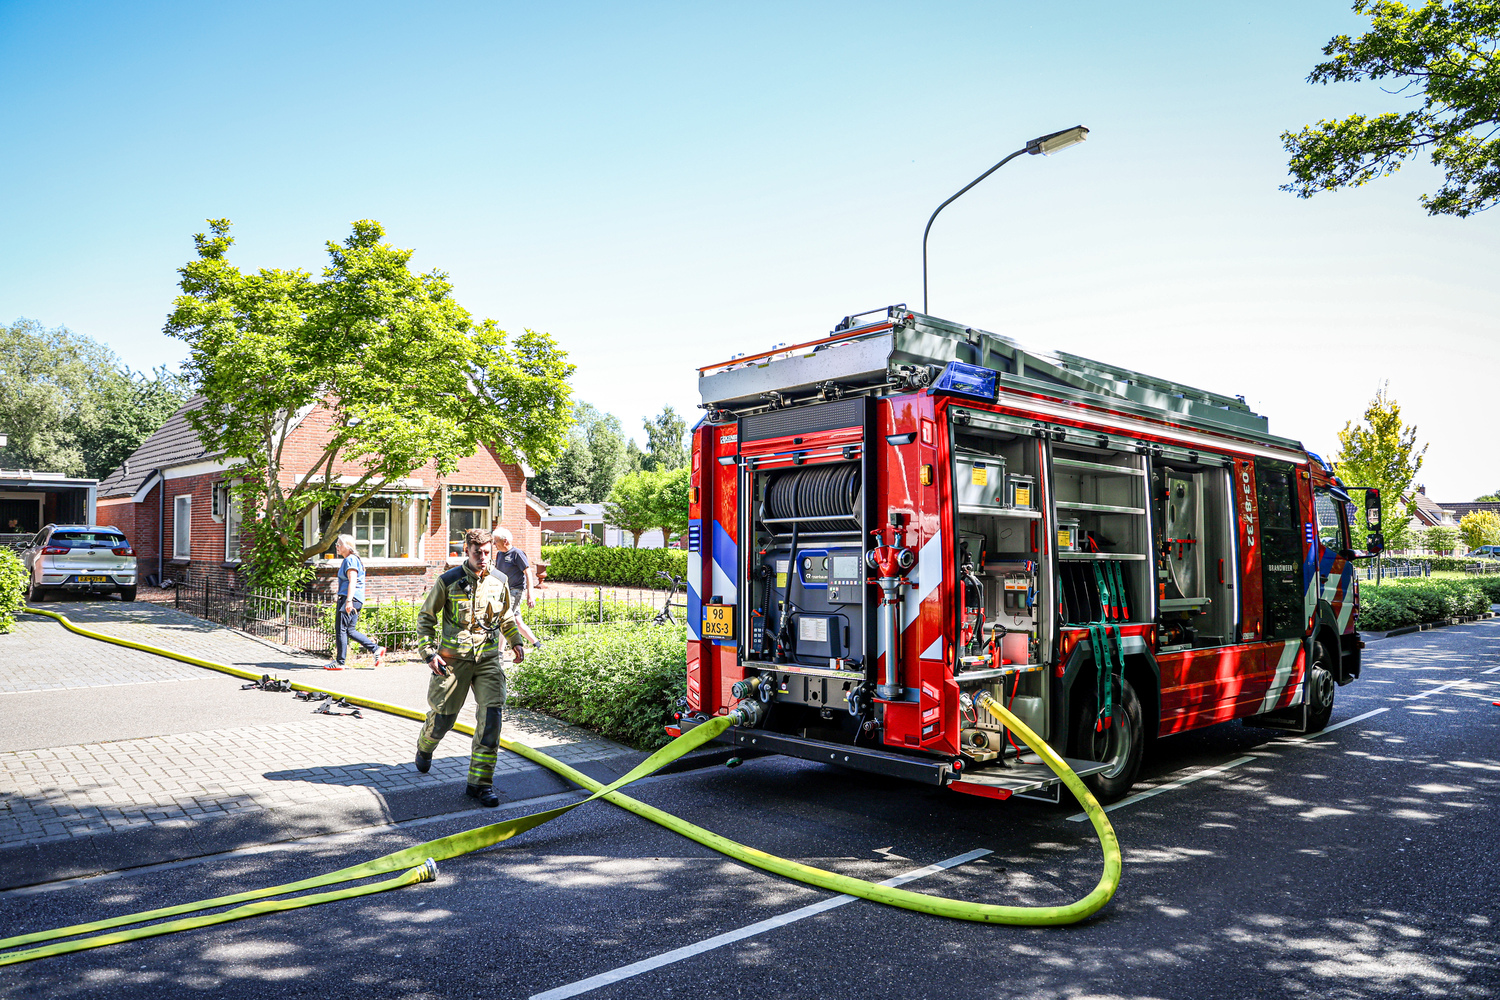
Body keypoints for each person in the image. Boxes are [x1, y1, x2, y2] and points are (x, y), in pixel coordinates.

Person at [413, 527, 525, 807]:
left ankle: (480, 784)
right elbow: (426, 618)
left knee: (492, 721)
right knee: (444, 720)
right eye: (478, 553)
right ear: (466, 551)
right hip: (453, 663)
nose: (484, 558)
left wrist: (515, 641)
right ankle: (425, 744)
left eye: (488, 552)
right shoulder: (448, 581)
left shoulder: (499, 580)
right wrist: (428, 653)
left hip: (487, 660)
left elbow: (506, 616)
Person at [324, 534, 386, 670]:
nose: (337, 547)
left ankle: (340, 662)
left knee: (341, 629)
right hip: (356, 599)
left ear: (347, 546)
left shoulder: (350, 560)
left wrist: (348, 601)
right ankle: (376, 649)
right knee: (350, 630)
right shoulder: (352, 559)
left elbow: (352, 581)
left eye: (339, 544)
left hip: (349, 599)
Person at [492, 527, 542, 649]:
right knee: (518, 622)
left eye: (496, 541)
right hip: (503, 591)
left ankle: (499, 653)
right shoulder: (499, 555)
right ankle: (538, 645)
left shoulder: (517, 554)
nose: (494, 544)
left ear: (505, 541)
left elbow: (528, 573)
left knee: (504, 620)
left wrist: (531, 594)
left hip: (515, 591)